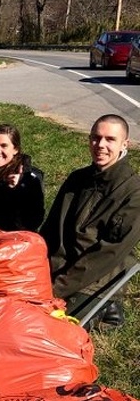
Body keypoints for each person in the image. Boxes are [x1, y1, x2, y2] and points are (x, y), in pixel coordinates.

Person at [41, 114, 140, 325]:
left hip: (96, 277)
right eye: (95, 137)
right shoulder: (77, 179)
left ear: (125, 144)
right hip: (58, 266)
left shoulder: (134, 193)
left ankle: (108, 309)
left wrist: (56, 287)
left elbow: (108, 254)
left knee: (50, 328)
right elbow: (50, 230)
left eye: (110, 139)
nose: (100, 145)